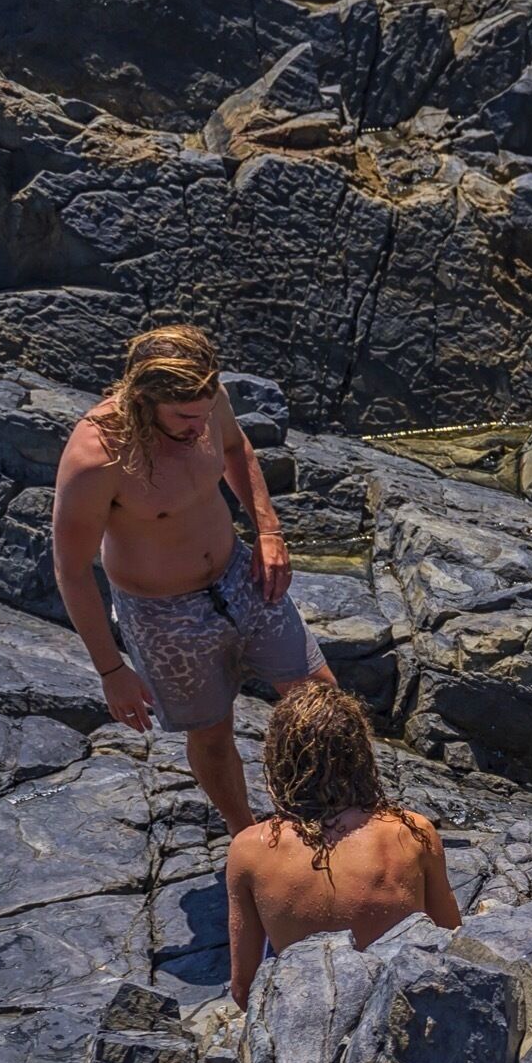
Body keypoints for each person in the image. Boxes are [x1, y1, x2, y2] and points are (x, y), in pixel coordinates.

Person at [49, 324, 332, 833]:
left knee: (321, 695)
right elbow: (70, 571)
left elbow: (236, 449)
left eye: (204, 413)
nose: (199, 426)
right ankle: (245, 834)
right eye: (183, 417)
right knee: (211, 733)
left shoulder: (206, 398)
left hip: (239, 576)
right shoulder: (97, 457)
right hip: (163, 616)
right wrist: (112, 671)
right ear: (143, 398)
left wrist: (269, 530)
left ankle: (333, 810)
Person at [225, 684, 460, 1007]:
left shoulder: (250, 849)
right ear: (361, 754)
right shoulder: (412, 832)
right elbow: (451, 943)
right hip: (401, 1014)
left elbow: (243, 990)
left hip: (310, 1016)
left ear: (278, 760)